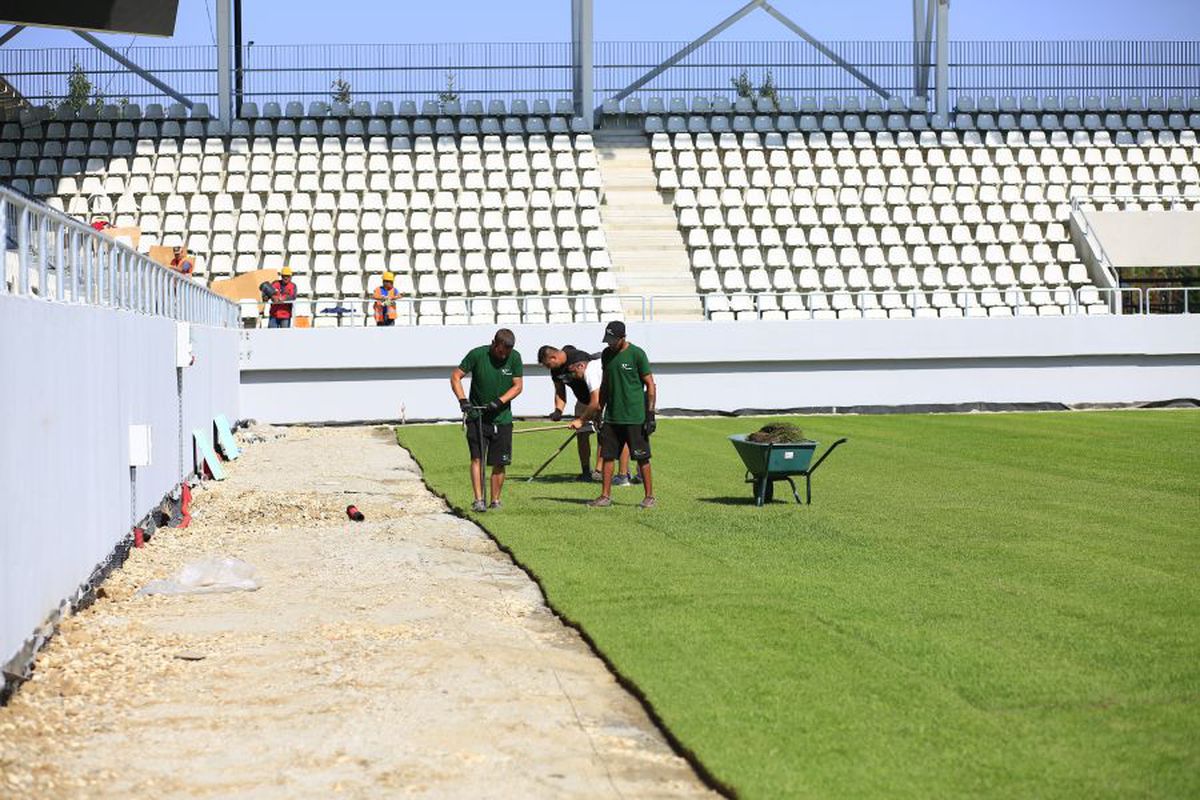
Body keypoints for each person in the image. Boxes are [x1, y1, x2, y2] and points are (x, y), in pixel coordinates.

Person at [451, 329, 524, 513]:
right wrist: (463, 401)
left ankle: (496, 501)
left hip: (502, 419)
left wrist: (499, 401)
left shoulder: (515, 358)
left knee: (500, 462)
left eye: (507, 352)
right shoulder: (477, 354)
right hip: (478, 417)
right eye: (501, 351)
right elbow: (455, 377)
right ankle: (478, 500)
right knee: (477, 458)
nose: (504, 355)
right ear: (494, 343)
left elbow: (518, 386)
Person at [589, 321, 657, 509]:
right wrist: (598, 410)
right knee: (608, 456)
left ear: (622, 337)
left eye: (613, 340)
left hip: (635, 416)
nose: (610, 344)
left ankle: (649, 496)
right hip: (612, 416)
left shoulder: (637, 354)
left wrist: (650, 414)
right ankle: (605, 496)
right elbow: (605, 384)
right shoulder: (606, 355)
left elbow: (650, 385)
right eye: (608, 340)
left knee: (642, 457)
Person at [537, 344, 603, 481]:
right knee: (582, 434)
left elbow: (596, 381)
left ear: (553, 357)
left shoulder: (579, 357)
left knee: (603, 434)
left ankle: (599, 471)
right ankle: (585, 472)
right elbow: (560, 391)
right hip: (582, 402)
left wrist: (597, 408)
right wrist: (558, 410)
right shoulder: (555, 371)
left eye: (548, 364)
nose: (548, 368)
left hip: (598, 399)